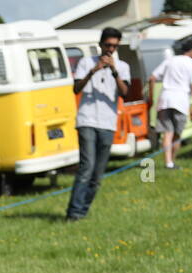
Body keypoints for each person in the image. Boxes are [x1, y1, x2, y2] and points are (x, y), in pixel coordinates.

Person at [67, 26, 130, 220]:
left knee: (97, 175)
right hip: (86, 119)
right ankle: (74, 214)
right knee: (87, 167)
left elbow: (125, 93)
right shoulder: (86, 62)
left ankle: (83, 211)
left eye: (114, 46)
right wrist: (93, 71)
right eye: (108, 45)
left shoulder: (123, 66)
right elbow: (76, 89)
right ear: (101, 44)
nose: (111, 49)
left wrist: (113, 70)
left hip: (108, 123)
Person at [149, 38, 192, 170]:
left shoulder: (170, 60)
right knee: (177, 134)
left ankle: (168, 162)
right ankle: (172, 161)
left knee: (167, 133)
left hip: (164, 99)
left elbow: (152, 78)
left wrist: (151, 98)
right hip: (181, 101)